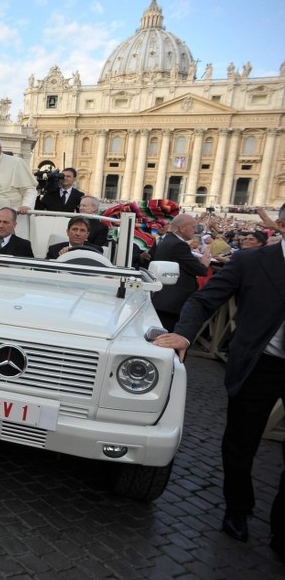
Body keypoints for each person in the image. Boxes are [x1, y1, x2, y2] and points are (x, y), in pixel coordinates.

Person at [153, 204, 285, 555]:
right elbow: (202, 301)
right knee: (242, 444)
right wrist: (184, 334)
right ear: (282, 225)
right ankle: (238, 508)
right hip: (260, 364)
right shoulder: (251, 262)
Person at [150, 214, 210, 330]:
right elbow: (200, 270)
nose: (195, 231)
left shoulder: (168, 240)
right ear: (182, 228)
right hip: (172, 301)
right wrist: (204, 263)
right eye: (193, 227)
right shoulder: (179, 245)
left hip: (165, 298)